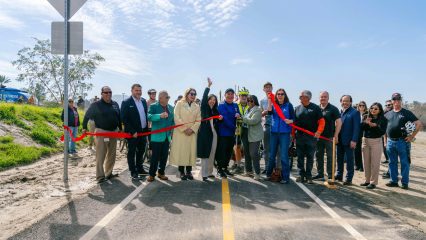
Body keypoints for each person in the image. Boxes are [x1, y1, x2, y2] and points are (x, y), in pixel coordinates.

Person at [82, 86, 122, 183]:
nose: (108, 94)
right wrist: (84, 127)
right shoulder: (96, 104)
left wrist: (120, 129)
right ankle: (100, 176)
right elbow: (87, 116)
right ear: (102, 94)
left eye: (110, 92)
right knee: (101, 155)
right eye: (106, 92)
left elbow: (119, 117)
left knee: (112, 154)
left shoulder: (115, 104)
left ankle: (109, 173)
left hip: (114, 132)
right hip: (102, 132)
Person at [384, 93, 422, 189]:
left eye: (398, 99)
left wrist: (411, 137)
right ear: (392, 101)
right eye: (394, 99)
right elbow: (385, 129)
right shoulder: (387, 114)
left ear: (401, 100)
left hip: (402, 142)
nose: (396, 100)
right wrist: (385, 141)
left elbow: (418, 124)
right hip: (390, 142)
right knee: (392, 162)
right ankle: (393, 181)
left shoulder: (406, 112)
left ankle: (405, 183)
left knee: (404, 163)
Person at [170, 88, 201, 180]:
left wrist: (192, 129)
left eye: (194, 94)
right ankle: (181, 171)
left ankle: (188, 171)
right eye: (191, 94)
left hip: (191, 132)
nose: (193, 96)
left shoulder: (196, 106)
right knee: (182, 151)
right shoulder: (180, 103)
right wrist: (184, 129)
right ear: (187, 94)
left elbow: (198, 120)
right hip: (181, 132)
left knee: (190, 151)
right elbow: (176, 117)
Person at [294, 90, 325, 184]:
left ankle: (308, 175)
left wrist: (319, 132)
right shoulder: (297, 108)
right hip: (299, 136)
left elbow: (322, 121)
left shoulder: (315, 108)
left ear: (307, 97)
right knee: (300, 157)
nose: (299, 98)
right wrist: (292, 135)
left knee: (310, 157)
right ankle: (301, 174)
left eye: (301, 96)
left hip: (311, 137)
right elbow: (294, 123)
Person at [121, 84, 149, 180]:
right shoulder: (126, 102)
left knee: (141, 151)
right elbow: (124, 119)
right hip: (132, 134)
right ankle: (133, 171)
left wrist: (146, 130)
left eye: (140, 90)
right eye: (136, 90)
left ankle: (140, 168)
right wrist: (132, 131)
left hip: (143, 132)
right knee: (132, 152)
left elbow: (145, 115)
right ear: (132, 91)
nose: (138, 92)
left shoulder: (143, 101)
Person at [266, 89, 295, 183]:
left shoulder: (289, 105)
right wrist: (270, 99)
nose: (280, 95)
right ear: (276, 96)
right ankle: (268, 174)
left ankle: (285, 178)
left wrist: (290, 121)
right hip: (274, 133)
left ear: (285, 95)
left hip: (285, 133)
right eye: (278, 94)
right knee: (271, 156)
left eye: (282, 94)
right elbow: (269, 112)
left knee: (284, 156)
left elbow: (294, 118)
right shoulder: (274, 105)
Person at [147, 90, 174, 182]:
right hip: (156, 137)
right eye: (167, 97)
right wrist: (159, 116)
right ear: (160, 98)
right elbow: (149, 116)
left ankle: (161, 173)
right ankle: (151, 174)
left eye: (169, 97)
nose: (168, 98)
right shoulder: (154, 106)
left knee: (164, 156)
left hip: (167, 136)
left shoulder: (171, 107)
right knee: (155, 157)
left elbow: (172, 120)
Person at [314, 91, 342, 181]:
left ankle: (330, 175)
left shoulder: (333, 109)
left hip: (329, 137)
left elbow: (339, 123)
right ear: (319, 98)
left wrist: (336, 135)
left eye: (325, 97)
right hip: (318, 137)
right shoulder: (316, 108)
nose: (323, 98)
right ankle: (320, 174)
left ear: (328, 98)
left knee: (331, 156)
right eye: (321, 97)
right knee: (318, 155)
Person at [360, 102, 388, 189]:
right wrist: (365, 123)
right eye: (372, 108)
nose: (373, 110)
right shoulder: (366, 116)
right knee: (366, 162)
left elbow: (382, 132)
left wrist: (375, 126)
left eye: (376, 109)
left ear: (380, 110)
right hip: (365, 141)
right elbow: (361, 128)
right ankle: (367, 180)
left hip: (376, 141)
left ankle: (373, 182)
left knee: (375, 163)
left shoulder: (383, 119)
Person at [197, 78, 219, 181]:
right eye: (211, 99)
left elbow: (218, 122)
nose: (212, 101)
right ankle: (204, 174)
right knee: (205, 154)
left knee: (212, 153)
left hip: (213, 134)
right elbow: (204, 97)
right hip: (204, 133)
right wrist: (208, 86)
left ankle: (210, 172)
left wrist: (220, 118)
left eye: (214, 100)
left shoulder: (215, 111)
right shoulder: (204, 108)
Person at [336, 95, 361, 185]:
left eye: (347, 101)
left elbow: (356, 128)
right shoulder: (340, 112)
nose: (345, 103)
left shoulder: (355, 113)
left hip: (350, 141)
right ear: (341, 102)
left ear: (350, 102)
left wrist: (354, 140)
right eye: (343, 101)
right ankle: (339, 175)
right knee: (339, 159)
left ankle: (348, 178)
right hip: (339, 141)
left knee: (350, 160)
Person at [216, 88, 241, 178]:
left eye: (232, 94)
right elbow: (224, 119)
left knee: (229, 152)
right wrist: (233, 127)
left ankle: (225, 168)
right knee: (221, 152)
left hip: (232, 133)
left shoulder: (235, 105)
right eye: (228, 94)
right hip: (223, 133)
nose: (230, 96)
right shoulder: (221, 105)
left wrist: (238, 115)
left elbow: (238, 115)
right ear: (225, 95)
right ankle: (219, 169)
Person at [260, 82, 280, 174]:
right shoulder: (262, 101)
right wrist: (263, 113)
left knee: (276, 149)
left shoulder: (277, 98)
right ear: (264, 89)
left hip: (276, 126)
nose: (268, 89)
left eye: (269, 87)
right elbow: (260, 114)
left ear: (272, 88)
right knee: (266, 148)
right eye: (266, 87)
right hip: (266, 126)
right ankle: (267, 167)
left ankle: (276, 168)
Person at [242, 95, 263, 180]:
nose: (249, 102)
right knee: (247, 153)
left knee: (253, 154)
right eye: (248, 101)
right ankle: (248, 171)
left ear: (255, 101)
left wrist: (242, 118)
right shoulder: (248, 110)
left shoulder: (258, 109)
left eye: (251, 101)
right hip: (245, 133)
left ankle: (257, 173)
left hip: (255, 135)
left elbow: (254, 121)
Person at [231, 87, 250, 174]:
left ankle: (248, 166)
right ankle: (238, 165)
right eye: (242, 95)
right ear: (239, 96)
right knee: (237, 147)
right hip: (237, 128)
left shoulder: (250, 105)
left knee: (247, 148)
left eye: (245, 95)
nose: (244, 97)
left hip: (247, 129)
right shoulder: (235, 104)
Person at [355, 101, 367, 171]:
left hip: (364, 134)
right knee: (356, 150)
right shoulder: (356, 114)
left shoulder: (367, 114)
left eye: (363, 105)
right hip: (357, 133)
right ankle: (357, 165)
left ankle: (362, 166)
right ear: (358, 106)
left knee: (363, 150)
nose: (362, 107)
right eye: (360, 105)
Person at [382, 99, 393, 165]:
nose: (387, 106)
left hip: (392, 136)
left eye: (389, 105)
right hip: (384, 133)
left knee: (391, 151)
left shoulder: (395, 112)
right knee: (384, 148)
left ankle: (391, 160)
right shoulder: (385, 113)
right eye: (386, 105)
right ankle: (387, 159)